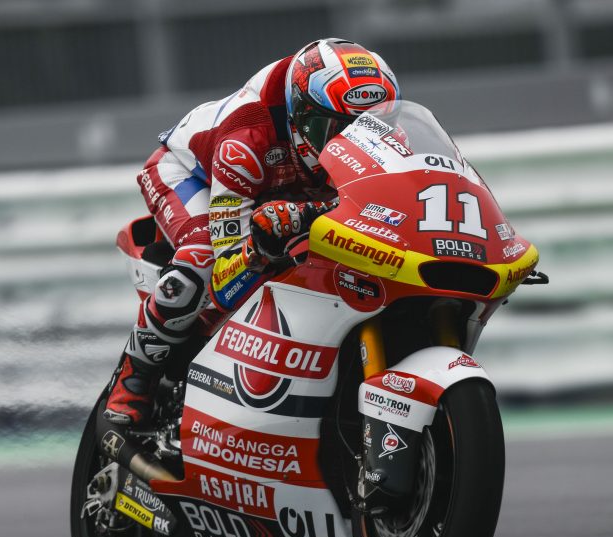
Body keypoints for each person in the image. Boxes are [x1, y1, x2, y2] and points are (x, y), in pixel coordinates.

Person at [104, 38, 401, 427]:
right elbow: (226, 281)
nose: (353, 143)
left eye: (371, 128)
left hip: (288, 191)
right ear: (301, 115)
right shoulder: (244, 140)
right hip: (190, 174)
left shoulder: (386, 136)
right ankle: (133, 381)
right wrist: (261, 246)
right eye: (335, 130)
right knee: (201, 260)